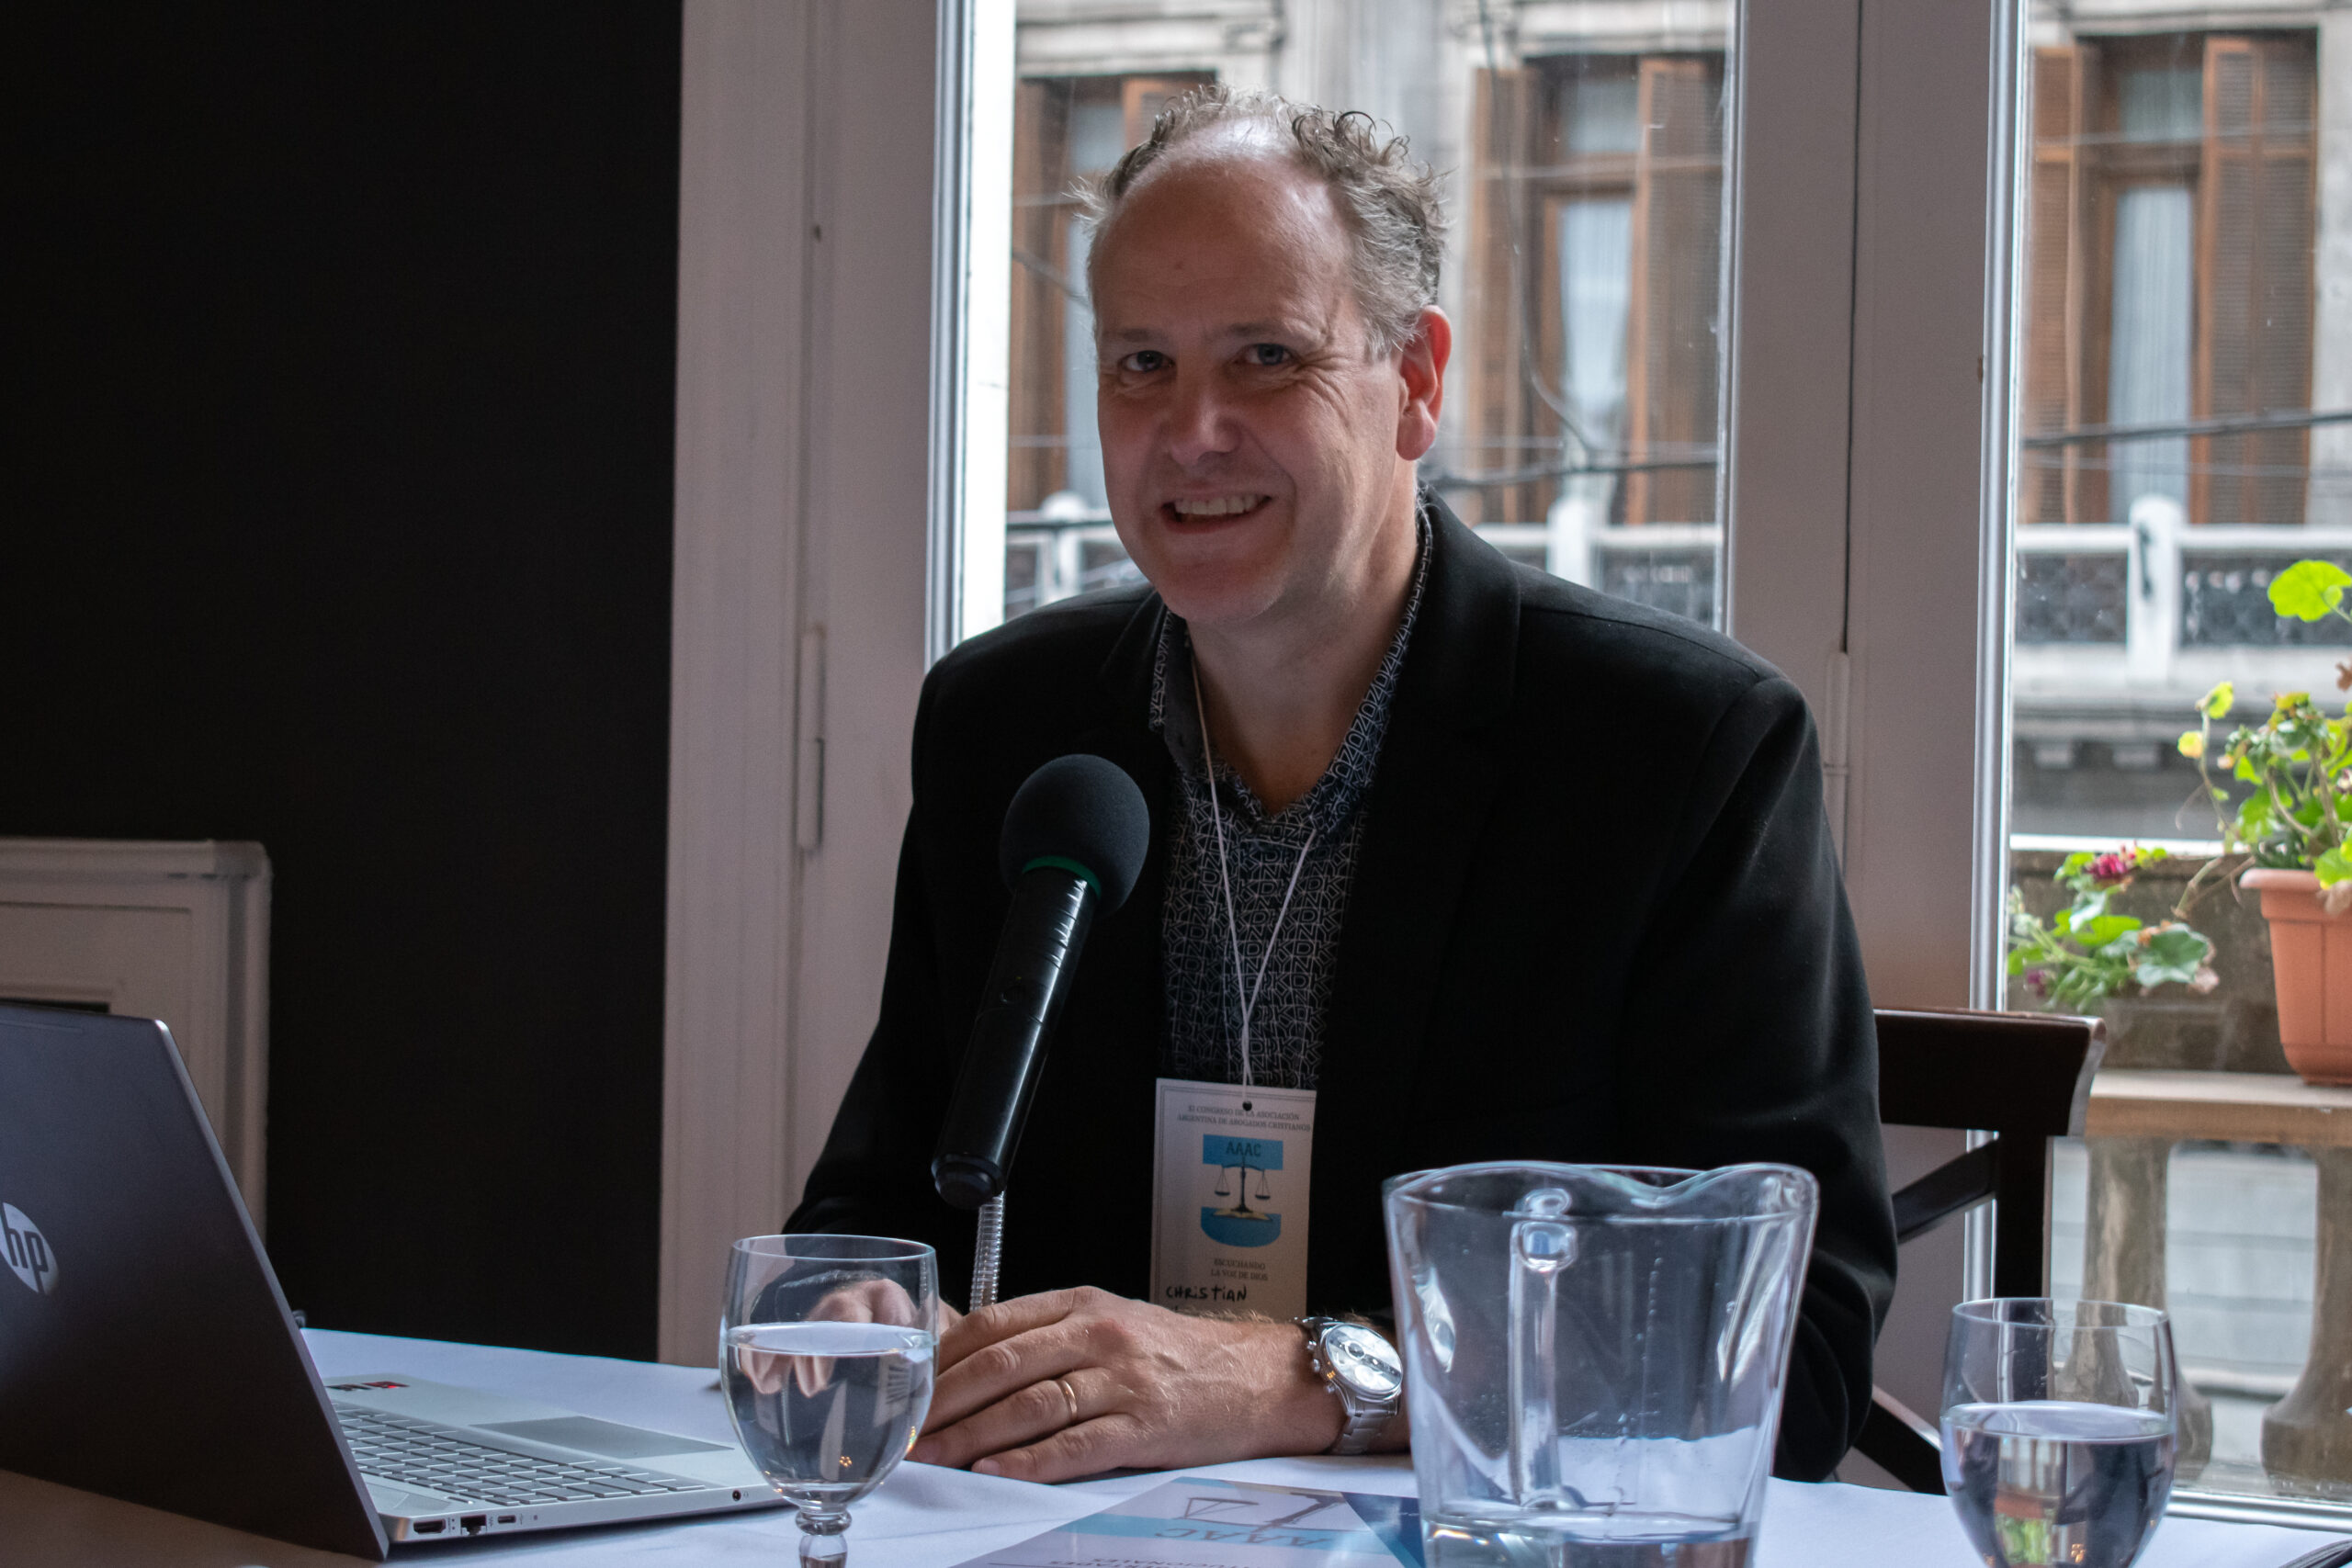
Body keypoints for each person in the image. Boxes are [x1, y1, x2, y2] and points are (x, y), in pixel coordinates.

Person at [786, 86, 1895, 1487]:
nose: (1191, 430)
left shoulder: (1680, 750)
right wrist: (859, 1309)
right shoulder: (1005, 725)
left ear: (1416, 380)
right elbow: (874, 1211)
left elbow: (1789, 1350)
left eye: (1266, 357)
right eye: (1140, 364)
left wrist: (1304, 1376)